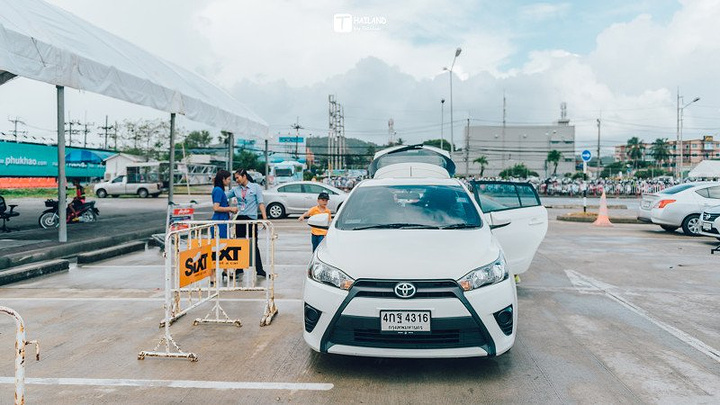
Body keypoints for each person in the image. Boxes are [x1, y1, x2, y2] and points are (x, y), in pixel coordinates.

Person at [227, 169, 268, 277]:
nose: (236, 180)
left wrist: (264, 219)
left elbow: (260, 203)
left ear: (244, 176)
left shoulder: (255, 187)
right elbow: (224, 196)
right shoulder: (236, 190)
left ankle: (259, 270)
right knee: (239, 244)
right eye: (235, 178)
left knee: (253, 244)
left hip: (251, 219)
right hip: (240, 218)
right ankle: (239, 269)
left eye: (237, 177)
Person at [211, 170, 237, 239]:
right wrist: (230, 208)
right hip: (220, 221)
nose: (229, 181)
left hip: (222, 220)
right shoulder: (218, 190)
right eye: (228, 179)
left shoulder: (219, 190)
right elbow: (216, 208)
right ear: (223, 179)